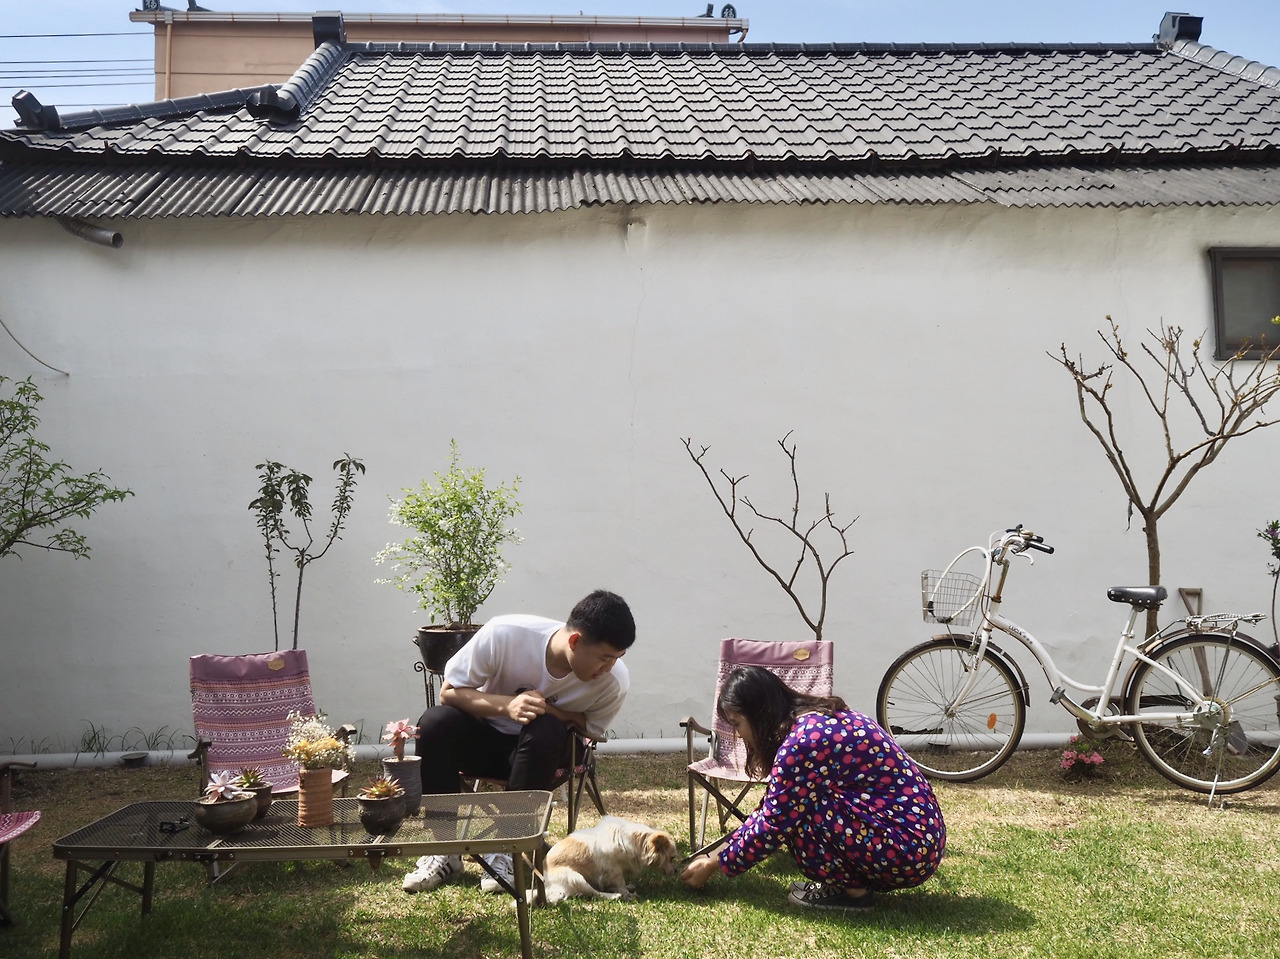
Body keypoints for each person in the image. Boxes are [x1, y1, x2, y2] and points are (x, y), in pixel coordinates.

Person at [402, 589, 635, 895]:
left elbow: (591, 729)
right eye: (605, 658)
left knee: (546, 727)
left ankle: (506, 850)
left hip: (546, 753)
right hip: (487, 740)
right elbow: (449, 692)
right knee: (434, 722)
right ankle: (443, 849)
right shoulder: (506, 634)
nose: (608, 668)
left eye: (617, 658)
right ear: (575, 641)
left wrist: (548, 711)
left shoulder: (614, 681)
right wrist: (507, 706)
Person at [680, 664, 945, 910]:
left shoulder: (801, 744)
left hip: (906, 848)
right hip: (919, 838)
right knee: (795, 807)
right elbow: (773, 807)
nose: (739, 735)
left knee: (800, 816)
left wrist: (716, 863)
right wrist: (717, 854)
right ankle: (846, 884)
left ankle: (853, 893)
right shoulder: (819, 718)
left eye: (738, 724)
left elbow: (774, 823)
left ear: (759, 714)